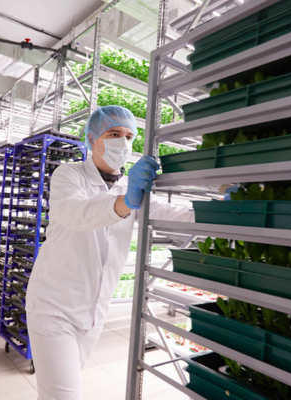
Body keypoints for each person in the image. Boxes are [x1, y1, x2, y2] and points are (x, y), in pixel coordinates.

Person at [25, 105, 193, 400]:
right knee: (64, 396)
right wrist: (125, 202)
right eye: (114, 134)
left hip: (92, 313)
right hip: (54, 307)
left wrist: (222, 211)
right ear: (92, 140)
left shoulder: (131, 187)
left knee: (56, 392)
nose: (123, 142)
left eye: (129, 136)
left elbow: (170, 213)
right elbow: (77, 214)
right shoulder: (69, 175)